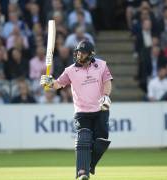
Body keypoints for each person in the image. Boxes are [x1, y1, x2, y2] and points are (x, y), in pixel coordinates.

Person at [40, 40, 113, 180]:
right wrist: (48, 82)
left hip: (100, 109)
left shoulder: (101, 65)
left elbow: (107, 82)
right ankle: (82, 173)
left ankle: (88, 165)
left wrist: (105, 96)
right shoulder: (70, 70)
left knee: (101, 141)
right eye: (78, 52)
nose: (79, 55)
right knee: (83, 138)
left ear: (91, 54)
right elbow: (57, 84)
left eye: (83, 52)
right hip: (82, 111)